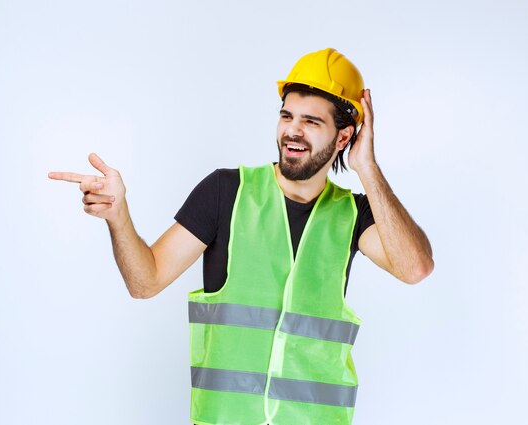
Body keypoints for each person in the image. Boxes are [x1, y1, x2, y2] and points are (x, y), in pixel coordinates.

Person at [48, 48, 434, 425]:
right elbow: (144, 282)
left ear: (343, 136)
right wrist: (118, 217)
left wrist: (366, 166)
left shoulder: (355, 214)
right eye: (287, 116)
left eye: (312, 122)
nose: (292, 131)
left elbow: (415, 267)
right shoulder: (226, 192)